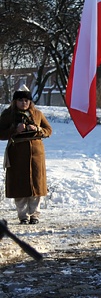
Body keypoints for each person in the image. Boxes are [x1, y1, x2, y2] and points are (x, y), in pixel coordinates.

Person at [0, 85, 52, 224]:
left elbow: (48, 130)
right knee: (20, 185)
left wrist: (38, 129)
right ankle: (23, 216)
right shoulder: (8, 115)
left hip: (36, 155)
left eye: (26, 100)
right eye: (21, 100)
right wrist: (14, 129)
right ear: (15, 101)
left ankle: (34, 215)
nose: (24, 103)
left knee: (36, 185)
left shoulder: (37, 114)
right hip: (17, 154)